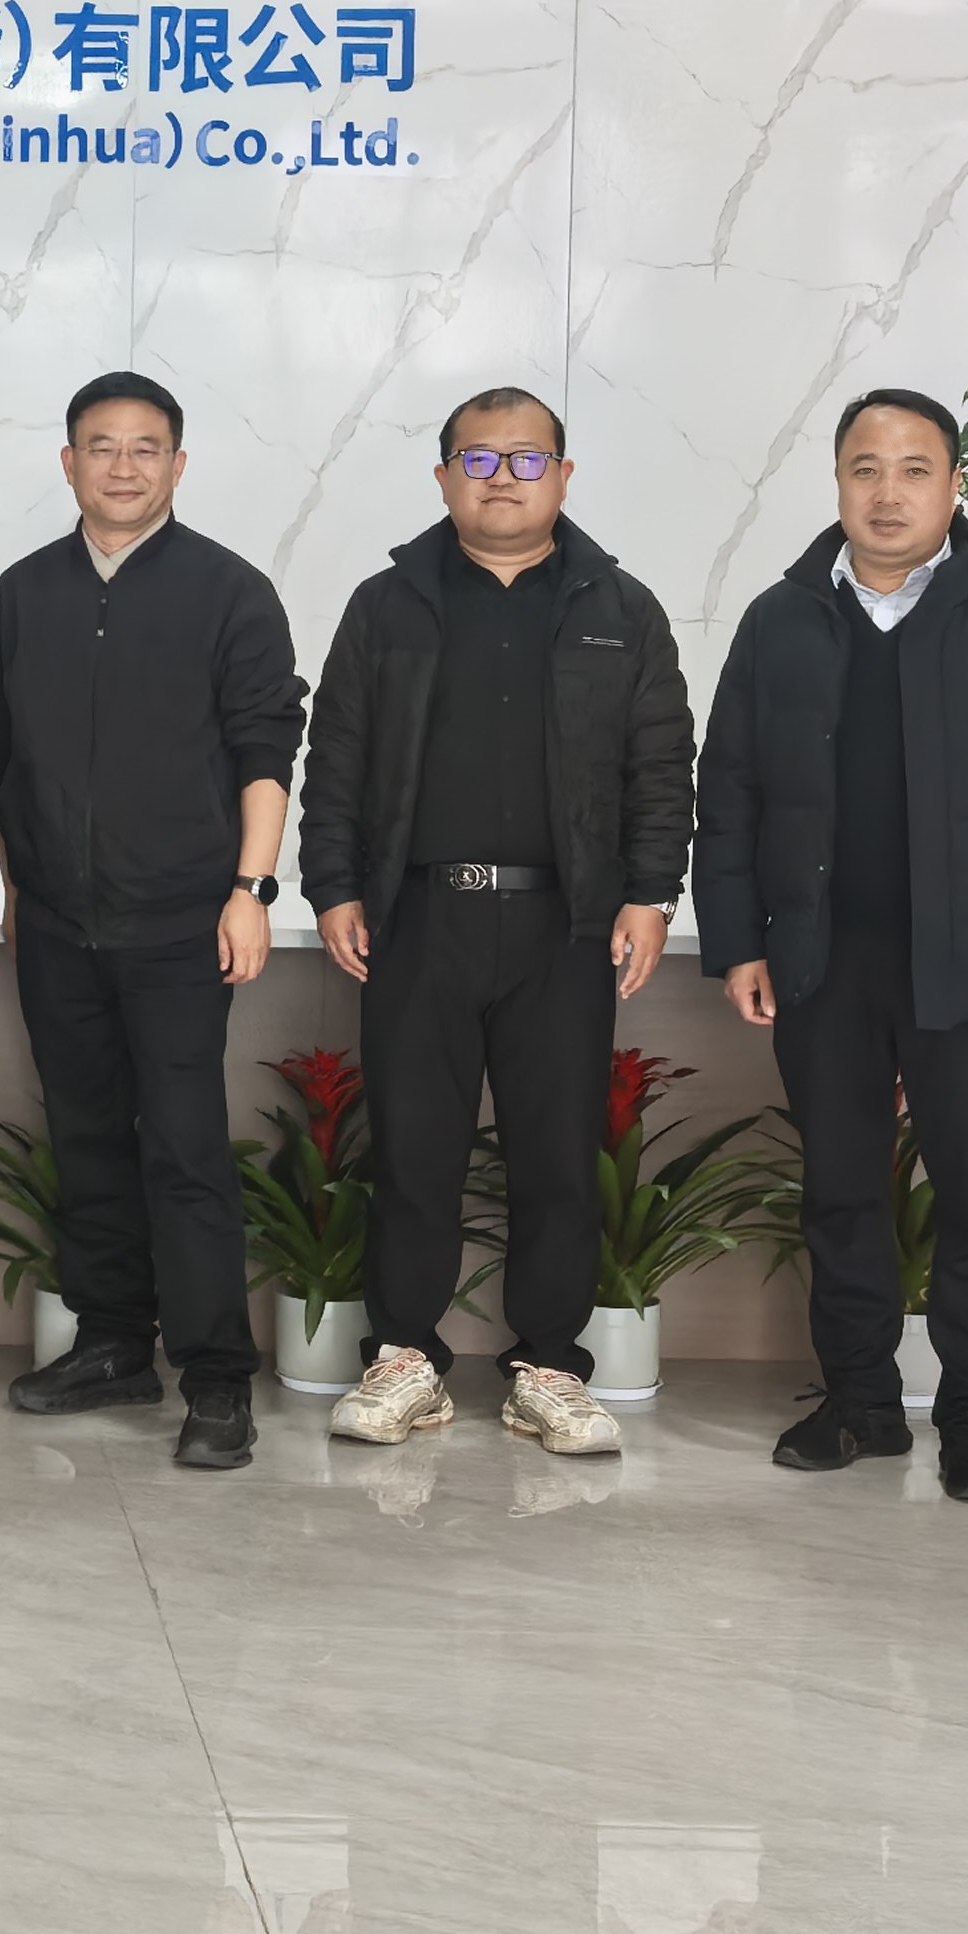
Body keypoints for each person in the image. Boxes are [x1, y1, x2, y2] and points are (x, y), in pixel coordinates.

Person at [695, 387, 968, 1508]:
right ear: (838, 482)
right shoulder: (780, 621)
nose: (888, 494)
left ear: (955, 484)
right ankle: (860, 1402)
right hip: (822, 961)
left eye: (914, 469)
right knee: (839, 1189)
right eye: (866, 469)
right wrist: (739, 941)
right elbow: (728, 794)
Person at [299, 387, 694, 1463]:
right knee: (413, 1151)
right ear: (443, 478)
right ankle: (403, 1360)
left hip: (565, 926)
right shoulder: (387, 606)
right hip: (418, 917)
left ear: (564, 477)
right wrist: (332, 884)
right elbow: (336, 755)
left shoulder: (621, 608)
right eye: (478, 461)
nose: (503, 479)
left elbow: (661, 764)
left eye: (526, 460)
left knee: (558, 1155)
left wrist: (649, 893)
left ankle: (550, 1369)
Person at [0, 372, 306, 1471]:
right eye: (100, 445)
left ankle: (216, 1380)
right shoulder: (22, 593)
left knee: (184, 1148)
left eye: (145, 447)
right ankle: (114, 1344)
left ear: (178, 464)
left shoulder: (230, 591)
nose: (122, 466)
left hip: (182, 925)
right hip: (55, 927)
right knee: (84, 1140)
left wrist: (250, 891)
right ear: (67, 462)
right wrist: (13, 895)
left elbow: (267, 753)